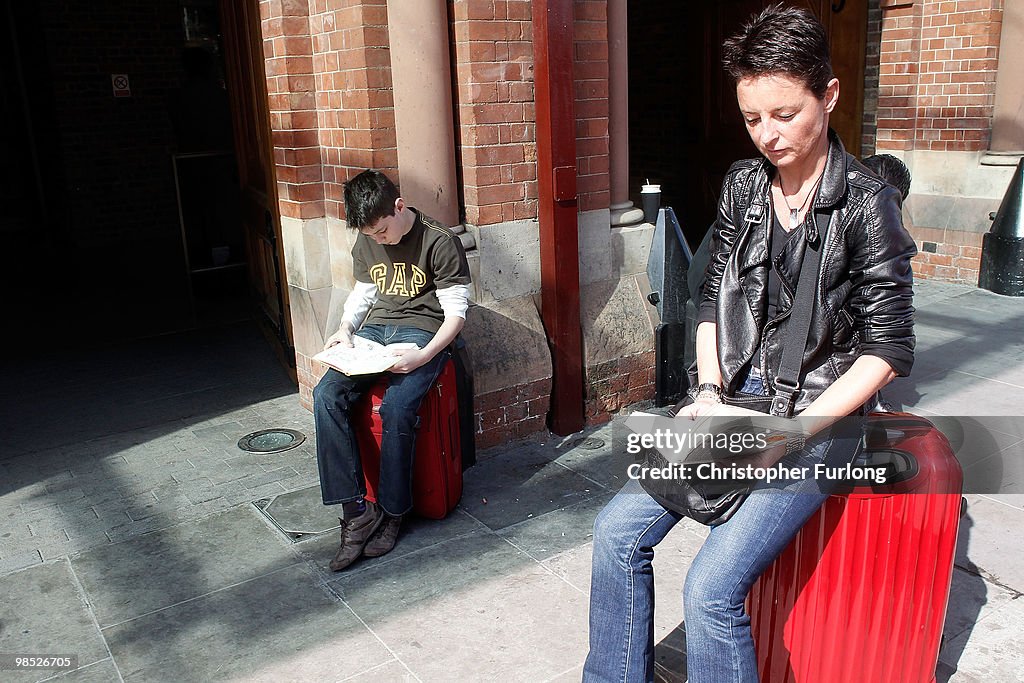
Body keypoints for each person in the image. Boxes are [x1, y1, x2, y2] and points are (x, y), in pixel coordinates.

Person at [584, 5, 916, 682]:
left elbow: (888, 347)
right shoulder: (743, 186)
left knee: (710, 590)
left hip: (823, 420)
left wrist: (794, 433)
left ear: (828, 95)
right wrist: (708, 392)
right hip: (738, 399)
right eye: (751, 118)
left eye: (785, 113)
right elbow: (711, 297)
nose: (767, 134)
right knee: (615, 534)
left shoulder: (866, 203)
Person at [313, 169, 471, 571]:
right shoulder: (368, 238)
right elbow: (363, 294)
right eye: (371, 235)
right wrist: (345, 330)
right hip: (374, 332)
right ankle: (355, 514)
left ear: (399, 207)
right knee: (326, 396)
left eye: (382, 231)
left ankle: (393, 512)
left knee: (398, 408)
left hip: (423, 333)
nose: (378, 240)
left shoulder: (440, 241)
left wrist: (424, 356)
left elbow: (455, 315)